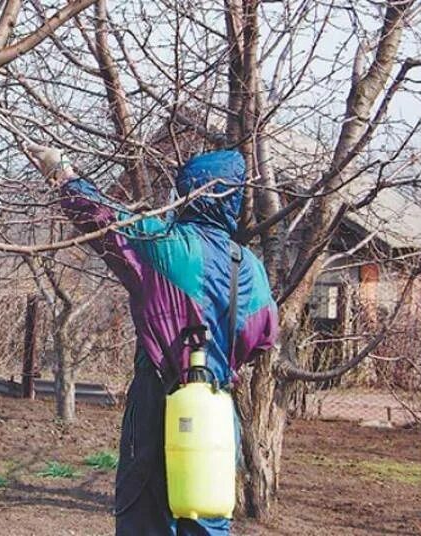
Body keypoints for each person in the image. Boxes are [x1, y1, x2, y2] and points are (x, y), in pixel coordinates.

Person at [25, 144, 279, 536]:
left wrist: (60, 172)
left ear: (193, 195)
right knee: (206, 518)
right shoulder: (251, 267)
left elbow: (102, 217)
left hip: (160, 403)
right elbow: (264, 337)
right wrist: (226, 362)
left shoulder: (167, 244)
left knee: (145, 518)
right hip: (217, 410)